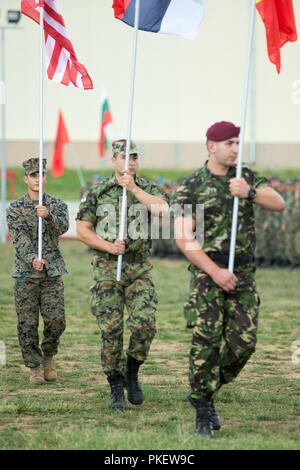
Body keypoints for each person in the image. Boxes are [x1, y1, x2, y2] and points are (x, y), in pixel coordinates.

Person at [172, 121, 285, 437]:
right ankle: (203, 407)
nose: (236, 148)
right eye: (230, 143)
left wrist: (249, 193)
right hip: (209, 275)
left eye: (238, 142)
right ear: (212, 146)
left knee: (243, 345)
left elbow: (279, 203)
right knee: (205, 344)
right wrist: (215, 271)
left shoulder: (245, 177)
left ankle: (205, 386)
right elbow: (184, 237)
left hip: (243, 275)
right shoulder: (191, 185)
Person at [76, 139, 169, 411]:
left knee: (144, 323)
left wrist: (134, 188)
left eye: (134, 157)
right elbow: (82, 230)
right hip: (107, 268)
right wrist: (108, 247)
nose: (129, 161)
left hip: (139, 268)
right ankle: (116, 384)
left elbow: (163, 210)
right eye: (124, 156)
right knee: (111, 329)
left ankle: (132, 368)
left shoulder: (148, 188)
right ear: (113, 160)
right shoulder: (98, 191)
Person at [6, 158, 69, 385]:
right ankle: (34, 367)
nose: (37, 179)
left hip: (52, 272)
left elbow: (63, 227)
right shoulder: (15, 208)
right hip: (26, 273)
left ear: (46, 178)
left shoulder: (56, 204)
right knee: (27, 323)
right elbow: (19, 238)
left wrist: (48, 215)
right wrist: (33, 258)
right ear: (26, 179)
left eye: (41, 175)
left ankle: (48, 357)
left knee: (56, 320)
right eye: (33, 175)